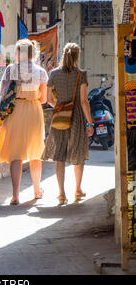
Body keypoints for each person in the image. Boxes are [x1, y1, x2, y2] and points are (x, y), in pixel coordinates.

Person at [0, 39, 48, 205]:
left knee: (16, 154)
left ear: (18, 53)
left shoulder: (11, 70)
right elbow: (44, 99)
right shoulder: (41, 72)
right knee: (36, 153)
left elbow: (2, 92)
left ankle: (15, 195)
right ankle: (37, 191)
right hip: (34, 111)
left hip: (16, 110)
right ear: (33, 53)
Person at [41, 43, 94, 205]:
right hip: (77, 117)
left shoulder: (54, 74)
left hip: (59, 117)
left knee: (60, 155)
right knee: (77, 152)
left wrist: (60, 107)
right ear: (77, 56)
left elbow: (48, 99)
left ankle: (62, 194)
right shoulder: (81, 74)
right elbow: (84, 101)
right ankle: (77, 189)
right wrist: (90, 123)